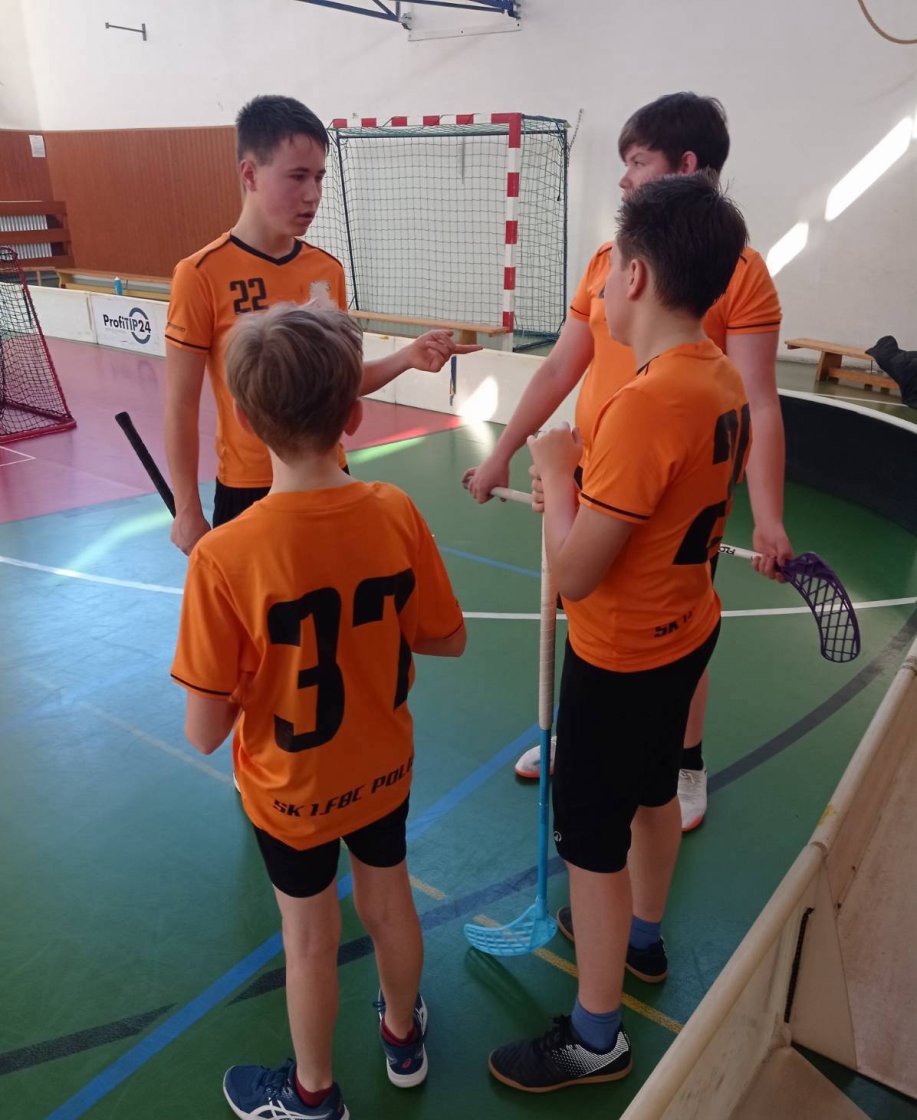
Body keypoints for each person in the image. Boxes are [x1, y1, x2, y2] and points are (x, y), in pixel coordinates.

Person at [487, 172, 751, 1092]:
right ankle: (641, 939)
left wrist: (559, 475)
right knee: (652, 794)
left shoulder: (644, 403)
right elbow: (650, 505)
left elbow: (574, 573)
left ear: (633, 277)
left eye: (606, 269)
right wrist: (584, 488)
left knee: (591, 843)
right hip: (684, 632)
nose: (596, 286)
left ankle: (594, 1036)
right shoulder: (716, 377)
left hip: (621, 656)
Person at [464, 92, 791, 830]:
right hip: (591, 475)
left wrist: (767, 516)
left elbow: (758, 401)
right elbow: (559, 368)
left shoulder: (735, 271)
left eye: (636, 162)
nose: (623, 179)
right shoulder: (606, 262)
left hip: (671, 490)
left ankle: (681, 763)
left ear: (685, 165)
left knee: (669, 626)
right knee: (584, 613)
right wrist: (503, 453)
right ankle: (578, 735)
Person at [171, 303, 466, 1119]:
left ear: (243, 419)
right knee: (389, 902)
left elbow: (204, 732)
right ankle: (402, 1036)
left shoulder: (224, 557)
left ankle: (312, 1095)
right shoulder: (394, 510)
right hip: (381, 767)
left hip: (289, 791)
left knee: (308, 939)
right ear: (352, 415)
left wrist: (244, 666)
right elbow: (447, 638)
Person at [165, 94, 477, 556]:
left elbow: (336, 385)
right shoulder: (200, 275)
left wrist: (406, 357)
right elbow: (180, 404)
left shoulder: (326, 271)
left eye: (319, 177)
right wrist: (187, 508)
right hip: (249, 490)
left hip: (329, 477)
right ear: (249, 174)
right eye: (297, 176)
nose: (312, 194)